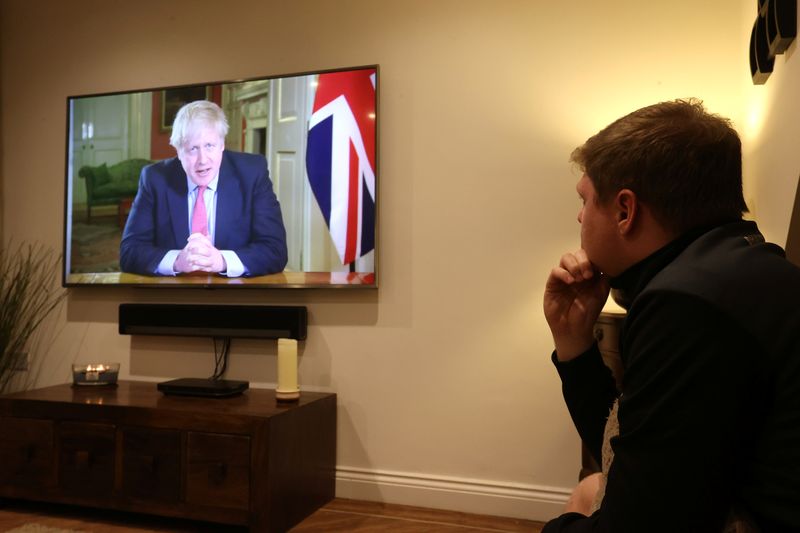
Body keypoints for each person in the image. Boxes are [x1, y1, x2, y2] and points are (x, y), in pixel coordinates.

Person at [542, 99, 800, 532]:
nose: (580, 216)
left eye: (585, 200)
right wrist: (574, 344)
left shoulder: (689, 305)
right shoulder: (738, 266)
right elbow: (628, 450)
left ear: (625, 210)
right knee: (589, 491)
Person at [120, 100, 287, 277]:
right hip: (175, 294)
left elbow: (275, 250)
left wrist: (221, 261)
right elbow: (130, 251)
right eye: (192, 149)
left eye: (209, 146)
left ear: (222, 144)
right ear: (178, 151)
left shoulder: (252, 173)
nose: (203, 160)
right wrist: (177, 261)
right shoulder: (155, 179)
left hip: (235, 294)